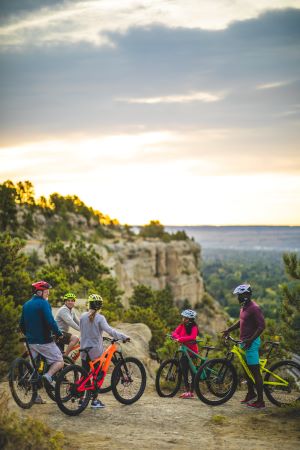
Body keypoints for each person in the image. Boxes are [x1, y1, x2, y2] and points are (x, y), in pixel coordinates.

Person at [80, 293, 130, 409]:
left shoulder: (82, 316)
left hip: (83, 349)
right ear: (99, 306)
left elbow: (83, 331)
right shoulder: (100, 318)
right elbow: (110, 331)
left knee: (84, 374)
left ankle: (81, 399)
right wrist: (123, 336)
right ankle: (95, 401)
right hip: (95, 351)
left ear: (89, 304)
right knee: (99, 375)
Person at [222, 284, 266, 409]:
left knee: (255, 372)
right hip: (244, 342)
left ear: (246, 295)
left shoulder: (254, 308)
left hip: (251, 343)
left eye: (240, 295)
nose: (238, 298)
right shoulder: (244, 307)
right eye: (238, 295)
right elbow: (241, 321)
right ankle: (251, 393)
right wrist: (229, 329)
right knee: (246, 370)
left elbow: (262, 326)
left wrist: (251, 340)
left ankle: (261, 401)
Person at [19, 281, 64, 392]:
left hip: (30, 342)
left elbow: (21, 324)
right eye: (46, 291)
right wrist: (58, 333)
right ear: (39, 292)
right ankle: (48, 376)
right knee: (59, 361)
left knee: (34, 368)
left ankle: (35, 396)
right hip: (44, 341)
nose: (48, 293)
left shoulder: (26, 304)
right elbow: (50, 322)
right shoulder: (43, 303)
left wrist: (30, 335)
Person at [171, 309, 199, 399]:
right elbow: (174, 333)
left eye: (185, 318)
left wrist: (180, 339)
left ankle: (191, 392)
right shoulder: (181, 326)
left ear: (190, 319)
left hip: (192, 352)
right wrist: (178, 338)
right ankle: (187, 391)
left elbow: (192, 337)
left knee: (193, 372)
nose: (183, 319)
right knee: (184, 371)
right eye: (183, 317)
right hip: (184, 351)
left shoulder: (194, 327)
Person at [55, 292, 80, 356]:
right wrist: (81, 330)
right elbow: (70, 322)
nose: (70, 302)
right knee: (75, 338)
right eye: (68, 300)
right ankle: (66, 357)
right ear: (65, 302)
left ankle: (64, 358)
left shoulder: (71, 310)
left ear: (74, 302)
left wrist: (86, 328)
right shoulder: (63, 310)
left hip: (62, 333)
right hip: (57, 333)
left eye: (72, 301)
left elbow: (78, 322)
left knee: (59, 354)